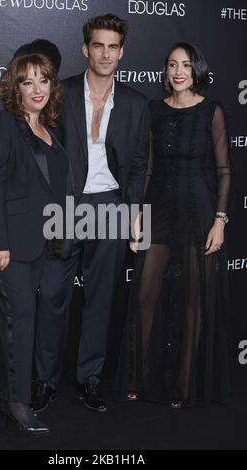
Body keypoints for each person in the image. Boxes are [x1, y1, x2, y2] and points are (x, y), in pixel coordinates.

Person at [33, 13, 149, 413]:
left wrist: (135, 217)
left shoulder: (135, 104)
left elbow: (139, 166)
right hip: (65, 207)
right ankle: (44, 382)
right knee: (51, 297)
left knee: (101, 301)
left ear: (121, 52)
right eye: (97, 45)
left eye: (113, 46)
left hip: (112, 205)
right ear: (85, 49)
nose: (105, 53)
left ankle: (90, 380)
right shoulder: (60, 94)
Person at [118, 42, 231, 408]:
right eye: (172, 65)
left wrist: (220, 220)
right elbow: (147, 166)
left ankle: (182, 388)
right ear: (165, 72)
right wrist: (136, 215)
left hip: (199, 213)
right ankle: (139, 378)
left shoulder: (212, 111)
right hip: (159, 211)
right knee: (145, 295)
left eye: (185, 64)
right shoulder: (154, 110)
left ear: (196, 69)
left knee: (192, 303)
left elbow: (224, 171)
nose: (178, 71)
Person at [0, 51, 68, 435]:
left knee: (19, 321)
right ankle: (17, 404)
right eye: (28, 81)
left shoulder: (48, 129)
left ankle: (7, 397)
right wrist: (0, 242)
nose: (37, 88)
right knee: (20, 322)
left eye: (43, 80)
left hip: (38, 243)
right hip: (8, 245)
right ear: (15, 88)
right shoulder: (2, 123)